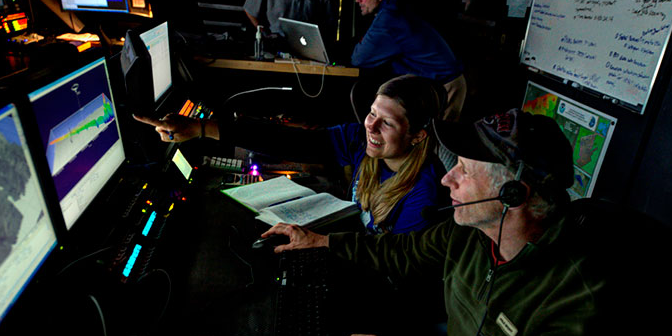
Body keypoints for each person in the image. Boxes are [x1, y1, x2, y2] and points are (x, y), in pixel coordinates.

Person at [260, 108, 627, 336]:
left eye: (465, 170)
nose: (448, 178)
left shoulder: (577, 298)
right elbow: (402, 252)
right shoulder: (471, 231)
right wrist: (322, 242)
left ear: (513, 195)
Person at [133, 74, 449, 235]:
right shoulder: (361, 141)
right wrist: (201, 128)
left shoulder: (424, 193)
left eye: (388, 122)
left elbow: (392, 265)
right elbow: (293, 142)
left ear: (418, 136)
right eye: (371, 113)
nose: (371, 125)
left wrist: (321, 244)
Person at [352, 0, 466, 125]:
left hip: (447, 86)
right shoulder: (391, 7)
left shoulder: (389, 18)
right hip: (438, 83)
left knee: (433, 144)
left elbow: (359, 58)